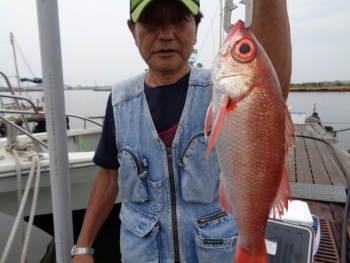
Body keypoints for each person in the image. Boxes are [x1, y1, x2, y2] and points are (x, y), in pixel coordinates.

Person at [72, 0, 291, 262]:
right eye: (151, 21)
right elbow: (108, 175)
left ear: (196, 29)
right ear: (133, 31)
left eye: (179, 19)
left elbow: (269, 86)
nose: (166, 34)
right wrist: (83, 246)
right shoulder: (120, 100)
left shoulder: (224, 89)